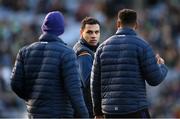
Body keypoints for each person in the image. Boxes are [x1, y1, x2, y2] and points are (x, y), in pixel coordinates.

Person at [91, 9, 168, 118]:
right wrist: (162, 66)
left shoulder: (102, 48)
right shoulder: (143, 46)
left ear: (118, 23)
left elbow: (95, 83)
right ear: (136, 25)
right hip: (135, 109)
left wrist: (97, 112)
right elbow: (155, 79)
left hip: (110, 112)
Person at [10, 11, 89, 118]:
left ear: (44, 28)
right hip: (60, 114)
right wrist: (84, 116)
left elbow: (15, 84)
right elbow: (74, 92)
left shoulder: (24, 52)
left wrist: (34, 98)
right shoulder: (67, 53)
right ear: (61, 29)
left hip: (34, 114)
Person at [73, 17, 100, 117]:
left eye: (96, 32)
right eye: (89, 32)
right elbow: (88, 82)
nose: (94, 36)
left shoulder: (90, 49)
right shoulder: (83, 53)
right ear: (81, 32)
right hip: (87, 109)